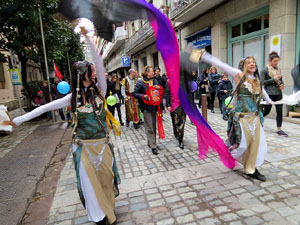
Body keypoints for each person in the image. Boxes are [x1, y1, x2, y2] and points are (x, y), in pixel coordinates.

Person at [12, 61, 120, 225]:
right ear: (83, 74)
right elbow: (44, 108)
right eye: (91, 71)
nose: (95, 74)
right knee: (89, 183)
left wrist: (90, 39)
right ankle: (99, 217)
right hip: (83, 146)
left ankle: (107, 206)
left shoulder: (100, 91)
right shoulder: (71, 99)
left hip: (102, 144)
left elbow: (99, 63)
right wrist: (19, 120)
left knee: (106, 179)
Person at [199, 51, 273, 181]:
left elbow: (263, 91)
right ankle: (228, 151)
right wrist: (205, 56)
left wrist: (269, 100)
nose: (252, 64)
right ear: (244, 65)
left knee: (256, 144)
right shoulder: (238, 75)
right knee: (242, 145)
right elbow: (221, 65)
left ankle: (251, 169)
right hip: (242, 118)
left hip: (255, 117)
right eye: (249, 62)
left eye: (253, 62)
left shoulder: (256, 80)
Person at [134, 66, 162, 155]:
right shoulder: (140, 82)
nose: (153, 73)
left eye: (153, 71)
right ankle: (153, 146)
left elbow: (159, 91)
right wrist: (143, 96)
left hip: (154, 107)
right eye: (152, 71)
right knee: (149, 126)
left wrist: (158, 87)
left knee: (153, 126)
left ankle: (150, 142)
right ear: (146, 73)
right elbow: (135, 93)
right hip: (145, 107)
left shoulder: (155, 80)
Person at [260, 51, 288, 137]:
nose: (276, 63)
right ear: (270, 61)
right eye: (274, 61)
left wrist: (282, 84)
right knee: (267, 111)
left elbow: (280, 80)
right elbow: (262, 82)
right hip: (269, 94)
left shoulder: (278, 69)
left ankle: (279, 129)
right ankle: (258, 120)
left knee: (279, 111)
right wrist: (274, 79)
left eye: (277, 61)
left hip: (278, 94)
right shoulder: (265, 70)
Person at [165, 83, 186, 149]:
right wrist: (168, 105)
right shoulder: (170, 81)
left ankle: (180, 139)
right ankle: (176, 134)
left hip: (183, 104)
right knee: (174, 121)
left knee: (182, 122)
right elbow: (167, 93)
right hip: (174, 104)